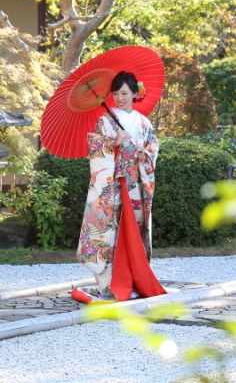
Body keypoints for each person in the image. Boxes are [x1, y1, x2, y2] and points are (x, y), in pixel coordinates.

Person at [71, 70, 167, 304]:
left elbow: (152, 148)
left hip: (135, 183)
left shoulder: (143, 122)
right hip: (111, 184)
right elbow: (94, 146)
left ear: (135, 94)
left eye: (124, 93)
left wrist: (144, 154)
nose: (119, 98)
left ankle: (134, 280)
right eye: (115, 93)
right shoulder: (105, 120)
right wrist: (114, 141)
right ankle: (107, 285)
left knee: (135, 228)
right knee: (109, 231)